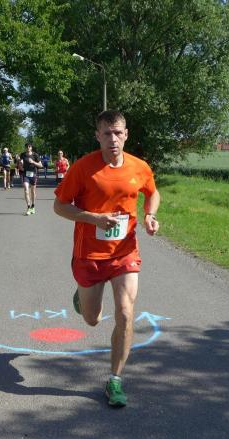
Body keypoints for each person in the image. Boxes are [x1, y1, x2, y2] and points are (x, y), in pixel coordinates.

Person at [53, 110, 160, 407]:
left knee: (125, 312)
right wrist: (94, 218)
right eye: (107, 133)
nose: (113, 139)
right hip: (89, 254)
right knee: (92, 319)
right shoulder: (83, 168)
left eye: (118, 133)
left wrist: (150, 215)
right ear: (97, 136)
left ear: (126, 134)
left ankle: (115, 380)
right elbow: (60, 206)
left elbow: (153, 193)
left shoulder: (139, 167)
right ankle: (83, 298)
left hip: (125, 252)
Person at [20, 143, 43, 215]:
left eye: (29, 146)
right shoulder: (23, 155)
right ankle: (28, 207)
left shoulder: (35, 155)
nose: (28, 147)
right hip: (25, 174)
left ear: (31, 147)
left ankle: (33, 206)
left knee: (33, 191)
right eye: (27, 146)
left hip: (33, 174)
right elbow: (20, 164)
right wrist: (20, 165)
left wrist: (33, 162)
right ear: (25, 147)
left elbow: (41, 165)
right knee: (26, 190)